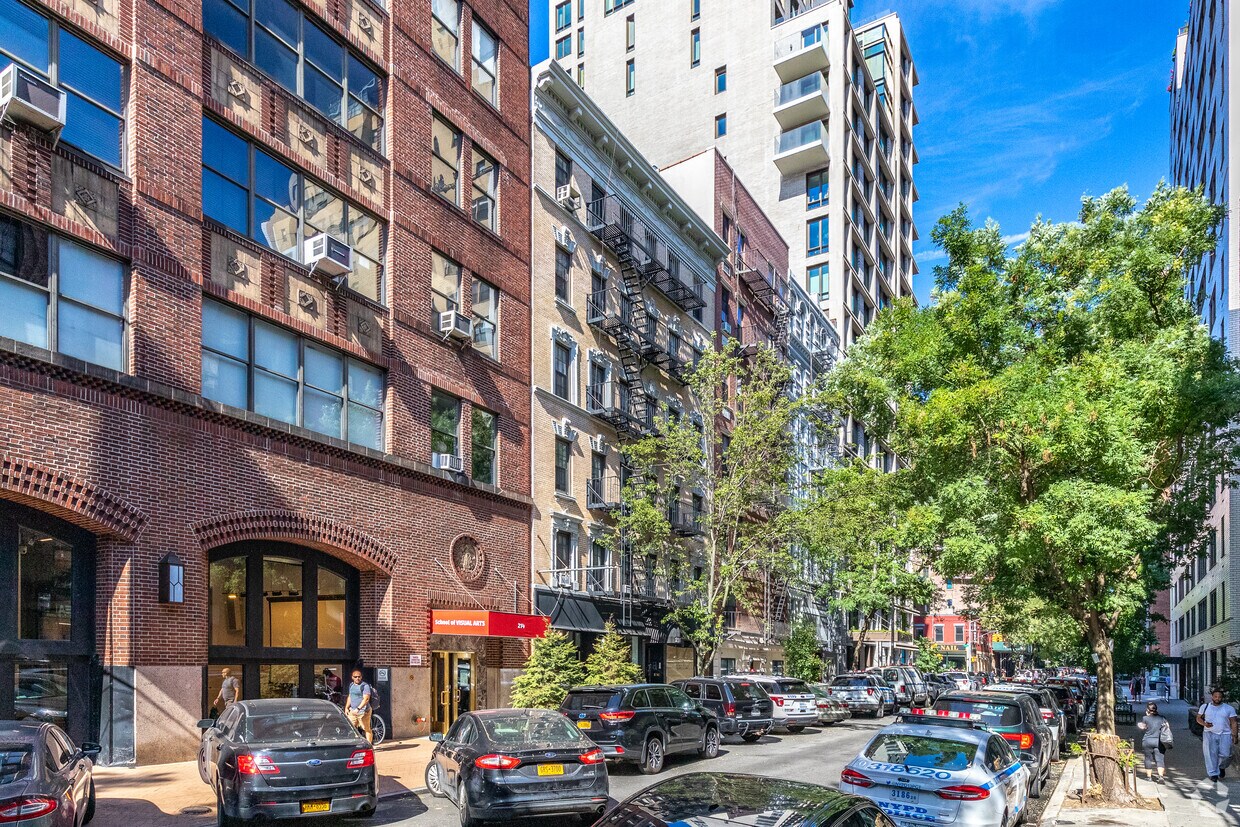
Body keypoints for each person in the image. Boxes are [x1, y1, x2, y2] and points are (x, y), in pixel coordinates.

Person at [1197, 688, 1239, 781]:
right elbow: (1198, 718)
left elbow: (1234, 722)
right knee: (1210, 754)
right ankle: (1213, 774)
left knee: (1227, 754)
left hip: (1225, 733)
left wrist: (1235, 735)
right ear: (1212, 697)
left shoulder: (1229, 708)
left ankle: (1221, 767)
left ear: (1222, 698)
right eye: (1215, 696)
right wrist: (1205, 724)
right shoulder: (1205, 707)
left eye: (1219, 697)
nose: (1217, 698)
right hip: (1209, 733)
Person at [1138, 702, 1172, 782]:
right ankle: (1161, 777)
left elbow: (1143, 727)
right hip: (1159, 741)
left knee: (1148, 759)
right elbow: (1167, 727)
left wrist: (1140, 725)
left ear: (1147, 710)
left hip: (1147, 741)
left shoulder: (1145, 718)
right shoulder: (1162, 718)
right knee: (1160, 759)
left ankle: (1149, 777)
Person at [346, 670, 374, 744]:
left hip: (364, 711)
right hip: (353, 711)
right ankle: (355, 745)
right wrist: (346, 707)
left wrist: (358, 709)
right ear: (352, 677)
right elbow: (350, 696)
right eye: (355, 677)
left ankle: (369, 746)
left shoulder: (365, 686)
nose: (357, 678)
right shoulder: (351, 685)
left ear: (361, 677)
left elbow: (366, 699)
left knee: (366, 729)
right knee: (351, 728)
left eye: (359, 677)